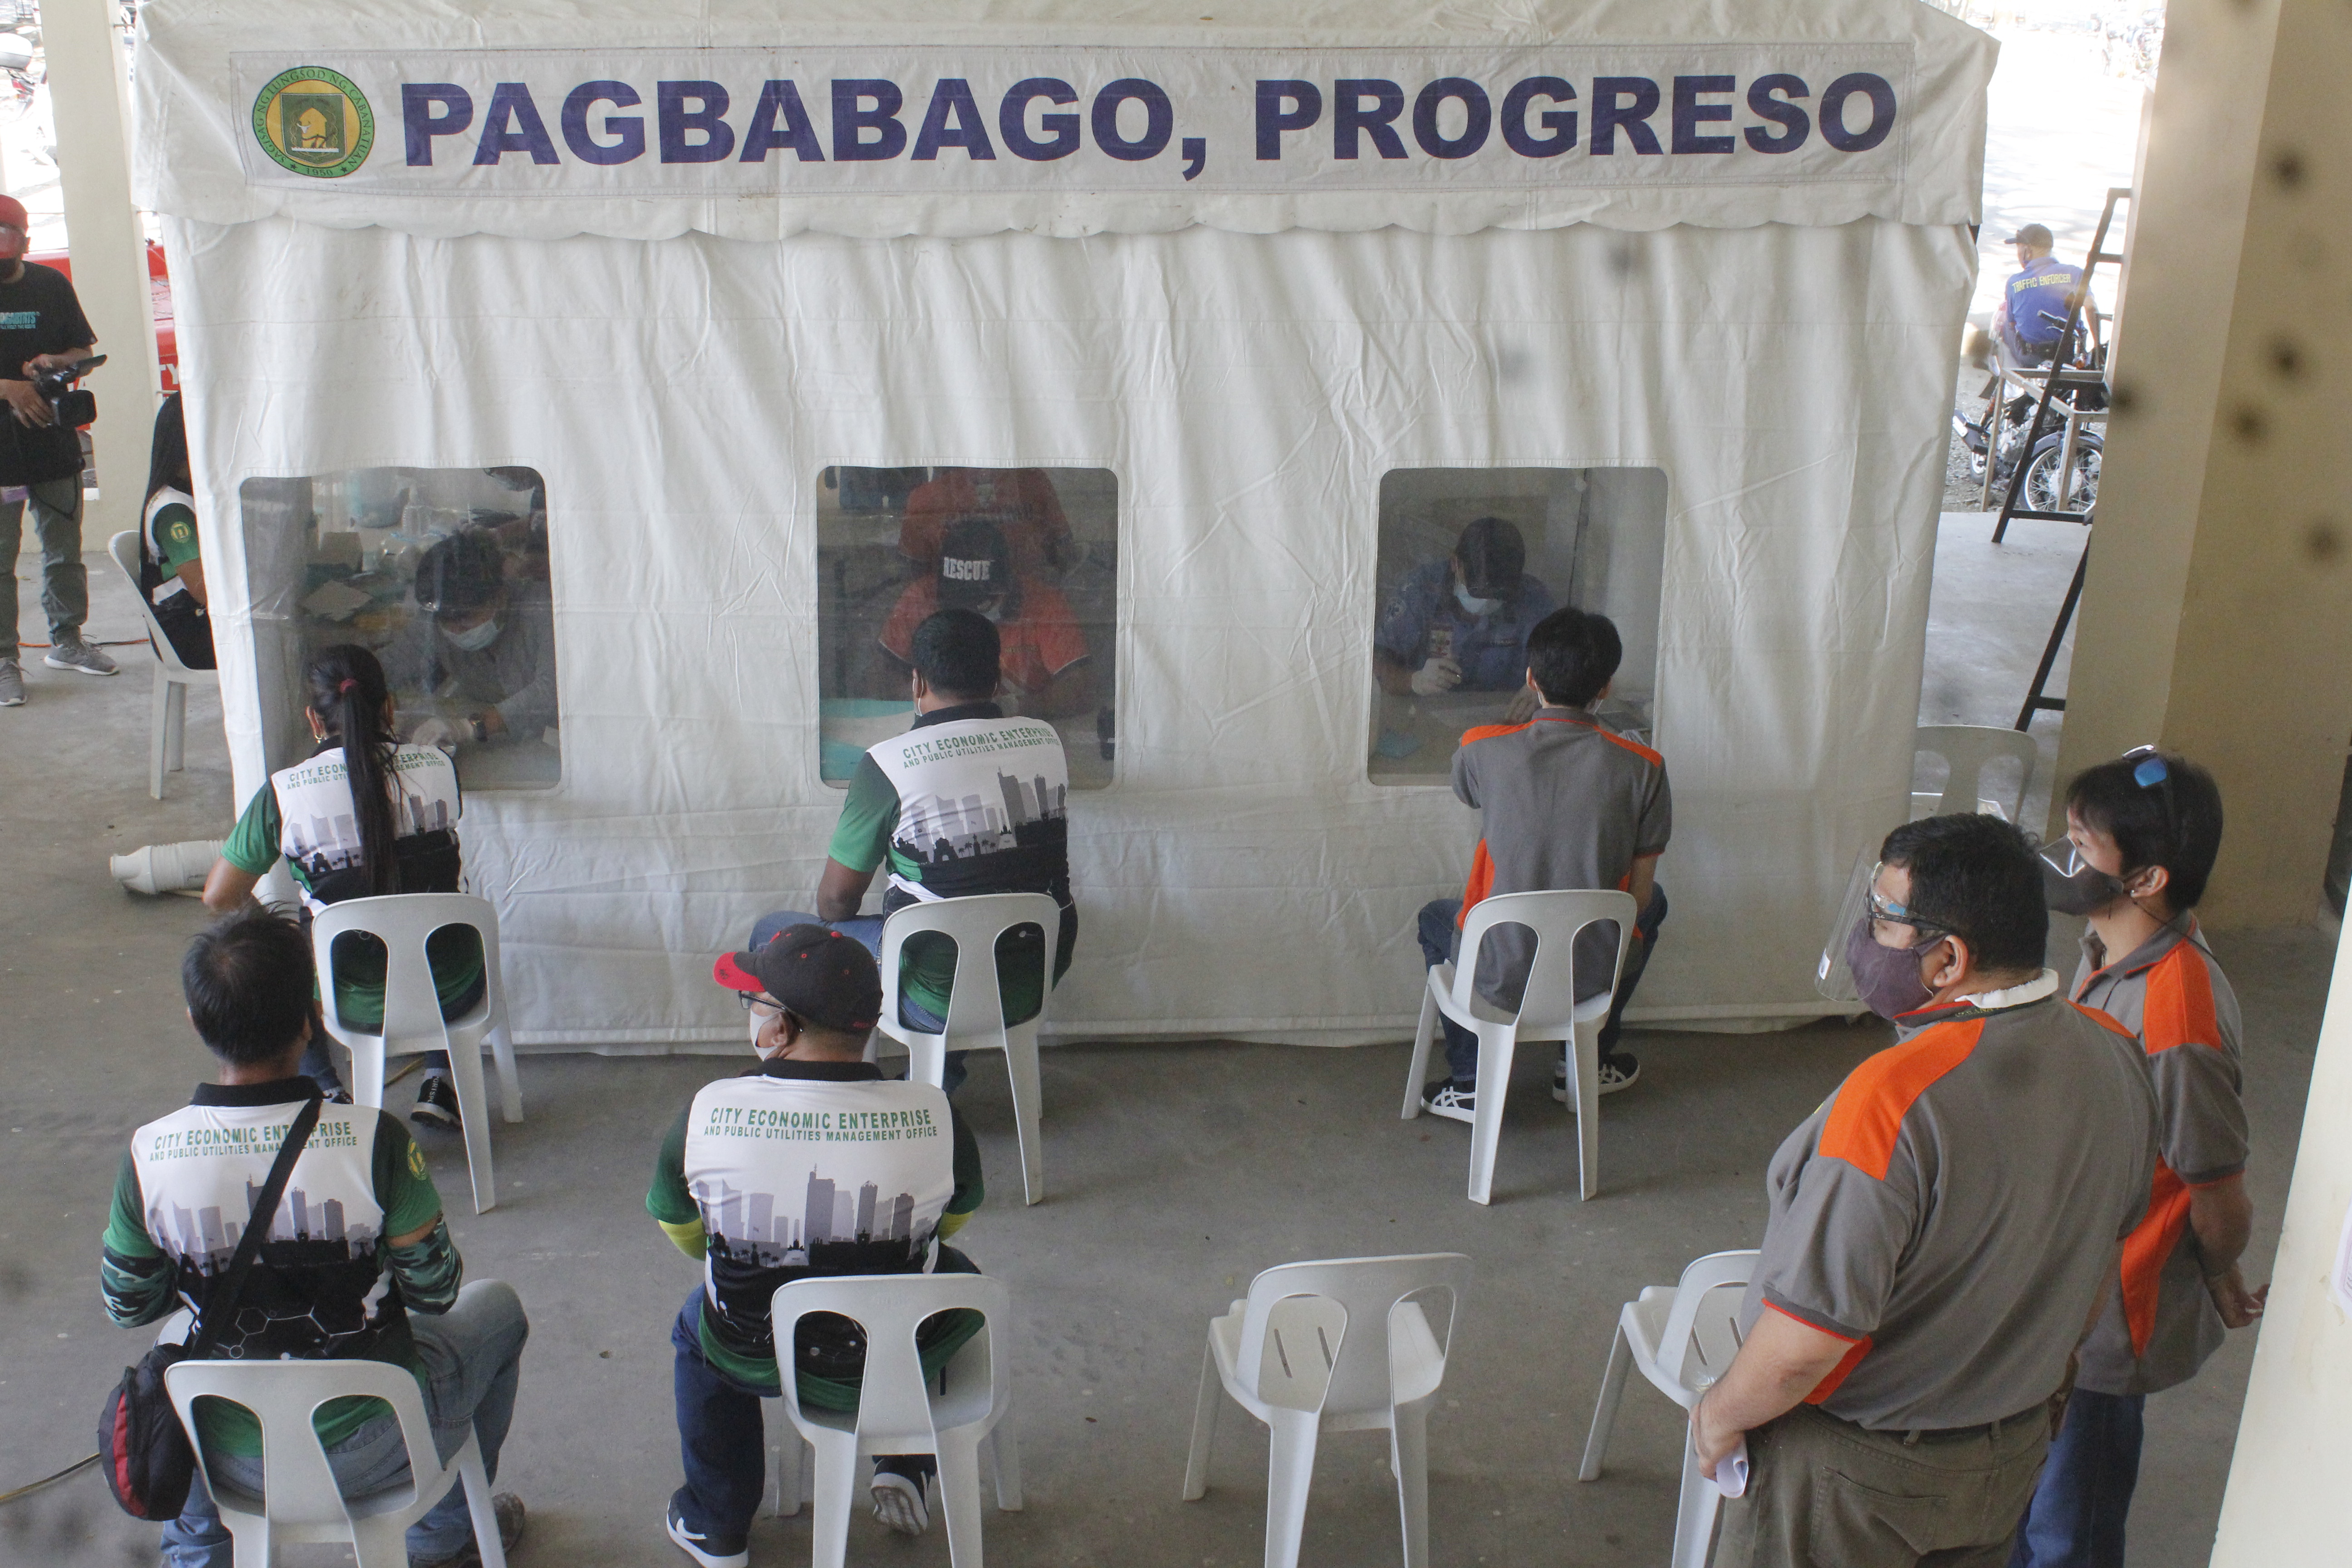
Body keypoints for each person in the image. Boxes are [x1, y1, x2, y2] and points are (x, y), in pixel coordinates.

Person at [1693, 813, 2160, 1568]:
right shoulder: (2112, 1054)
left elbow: (1802, 1345)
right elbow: (2098, 1254)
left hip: (1857, 1476)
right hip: (2005, 1452)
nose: (1862, 940)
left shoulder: (1890, 1098)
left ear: (1945, 960)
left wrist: (1717, 1414)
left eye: (1880, 921)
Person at [100, 908, 527, 1568]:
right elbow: (436, 1290)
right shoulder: (372, 1138)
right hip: (379, 1444)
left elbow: (128, 1305)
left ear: (197, 1022)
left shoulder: (148, 1155)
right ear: (310, 1019)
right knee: (498, 1310)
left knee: (173, 1355)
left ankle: (198, 1555)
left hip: (227, 1459)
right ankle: (443, 1538)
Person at [652, 925, 985, 1565]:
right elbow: (955, 1215)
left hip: (754, 1348)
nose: (750, 1018)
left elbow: (682, 1228)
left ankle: (716, 1522)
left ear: (780, 1029)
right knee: (950, 1278)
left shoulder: (708, 1111)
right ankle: (904, 1458)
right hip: (885, 1356)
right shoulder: (936, 1112)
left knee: (698, 1328)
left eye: (754, 1003)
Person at [2011, 750, 2263, 1568]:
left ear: (2147, 877)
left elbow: (2214, 1189)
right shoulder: (2105, 949)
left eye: (2082, 843)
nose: (2062, 855)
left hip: (2113, 1313)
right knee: (2029, 1492)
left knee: (2069, 1524)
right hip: (2068, 1287)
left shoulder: (2177, 1011)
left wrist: (2218, 1270)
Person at [771, 607, 1076, 1097]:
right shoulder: (1046, 741)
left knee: (779, 935)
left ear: (916, 684)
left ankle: (822, 1089)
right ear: (997, 681)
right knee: (954, 929)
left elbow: (835, 904)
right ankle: (937, 1077)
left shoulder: (886, 765)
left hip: (934, 994)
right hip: (1033, 978)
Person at [203, 645, 483, 1128]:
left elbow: (219, 896)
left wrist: (287, 935)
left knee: (283, 938)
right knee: (434, 905)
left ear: (315, 720)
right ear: (389, 708)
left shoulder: (285, 793)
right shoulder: (439, 766)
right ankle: (440, 1079)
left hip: (350, 996)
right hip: (455, 987)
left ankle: (327, 1089)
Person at [1416, 607, 1666, 1117]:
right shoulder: (1646, 768)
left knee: (1434, 920)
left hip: (1498, 969)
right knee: (1655, 905)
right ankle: (1580, 1062)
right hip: (1591, 977)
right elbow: (1638, 897)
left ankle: (1470, 1079)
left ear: (1530, 679)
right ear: (1607, 687)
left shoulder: (1480, 748)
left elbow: (1467, 790)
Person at [0, 191, 112, 707]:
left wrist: (53, 361)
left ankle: (67, 641)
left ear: (26, 239)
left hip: (52, 442)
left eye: (7, 234)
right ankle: (4, 659)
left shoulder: (51, 286)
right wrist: (10, 388)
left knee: (63, 549)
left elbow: (83, 351)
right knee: (1, 558)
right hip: (2, 453)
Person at [878, 516, 1090, 718]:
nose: (971, 617)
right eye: (959, 601)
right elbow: (879, 676)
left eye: (981, 604)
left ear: (1008, 586)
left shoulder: (1043, 603)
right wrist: (930, 703)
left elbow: (1080, 688)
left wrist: (1016, 707)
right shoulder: (921, 598)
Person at [387, 528, 559, 745]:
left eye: (465, 619)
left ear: (500, 597)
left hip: (554, 744)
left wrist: (472, 727)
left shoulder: (540, 609)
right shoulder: (436, 619)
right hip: (498, 749)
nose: (455, 630)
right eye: (446, 621)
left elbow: (553, 689)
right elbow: (395, 661)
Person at [1375, 517, 1556, 698]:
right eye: (1477, 592)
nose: (1486, 603)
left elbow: (1560, 663)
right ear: (1456, 564)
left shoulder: (1532, 598)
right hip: (1421, 714)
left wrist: (1542, 688)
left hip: (1504, 717)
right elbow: (1375, 663)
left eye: (1497, 597)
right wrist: (1413, 681)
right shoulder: (1421, 591)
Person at [140, 393, 213, 671]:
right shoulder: (173, 511)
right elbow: (202, 590)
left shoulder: (189, 494)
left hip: (198, 621)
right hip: (189, 632)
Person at [899, 466, 1074, 579]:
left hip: (1026, 610)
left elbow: (1062, 554)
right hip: (950, 607)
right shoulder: (925, 500)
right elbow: (916, 577)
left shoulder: (1034, 484)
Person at [1994, 223, 2089, 367]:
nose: (2018, 253)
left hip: (2032, 359)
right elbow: (2092, 308)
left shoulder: (2014, 282)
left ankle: (2004, 379)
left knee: (2004, 321)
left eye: (2018, 248)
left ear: (2027, 249)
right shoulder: (2075, 273)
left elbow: (2013, 324)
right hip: (2069, 356)